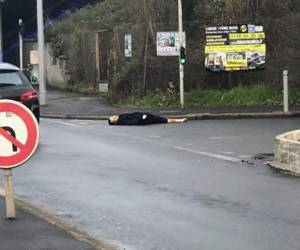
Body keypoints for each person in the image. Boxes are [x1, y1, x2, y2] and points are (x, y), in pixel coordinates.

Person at [108, 112, 187, 125]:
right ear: (115, 122)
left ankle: (179, 120)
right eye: (113, 119)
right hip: (144, 119)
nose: (114, 117)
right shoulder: (123, 121)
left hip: (143, 115)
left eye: (113, 116)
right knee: (162, 120)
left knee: (162, 119)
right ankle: (180, 120)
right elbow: (134, 122)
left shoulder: (121, 116)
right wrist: (142, 118)